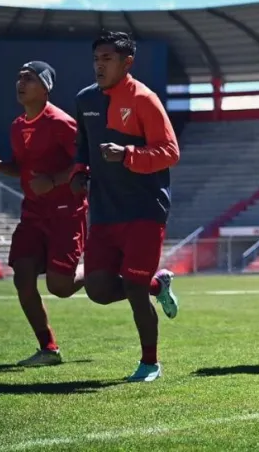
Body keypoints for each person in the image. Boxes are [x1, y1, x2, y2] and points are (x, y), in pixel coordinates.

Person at [71, 30, 180, 383]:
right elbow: (82, 147)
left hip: (144, 209)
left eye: (108, 59)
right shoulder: (85, 99)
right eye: (96, 59)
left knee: (133, 288)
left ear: (127, 62)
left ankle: (150, 363)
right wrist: (79, 172)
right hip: (104, 210)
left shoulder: (145, 99)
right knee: (98, 290)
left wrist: (128, 154)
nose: (99, 65)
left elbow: (170, 152)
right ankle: (156, 286)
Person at [0, 61, 87, 367]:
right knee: (23, 277)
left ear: (45, 87)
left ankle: (96, 267)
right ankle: (48, 349)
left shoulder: (62, 123)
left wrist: (53, 181)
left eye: (28, 78)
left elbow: (84, 165)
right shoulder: (17, 126)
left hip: (66, 211)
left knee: (60, 287)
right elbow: (22, 168)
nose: (20, 83)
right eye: (19, 78)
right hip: (33, 213)